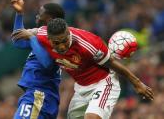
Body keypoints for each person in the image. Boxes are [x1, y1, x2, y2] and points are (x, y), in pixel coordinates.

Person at [12, 18, 154, 119]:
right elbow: (19, 38)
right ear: (49, 39)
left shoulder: (88, 44)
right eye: (56, 43)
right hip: (81, 88)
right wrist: (20, 14)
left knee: (91, 117)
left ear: (68, 33)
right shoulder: (42, 35)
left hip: (103, 83)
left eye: (64, 40)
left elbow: (112, 63)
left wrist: (137, 82)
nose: (61, 46)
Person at [10, 0, 65, 119]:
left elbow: (47, 63)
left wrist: (30, 37)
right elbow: (17, 40)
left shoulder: (56, 39)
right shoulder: (39, 36)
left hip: (39, 95)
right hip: (38, 95)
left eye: (40, 13)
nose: (37, 15)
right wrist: (19, 14)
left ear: (50, 19)